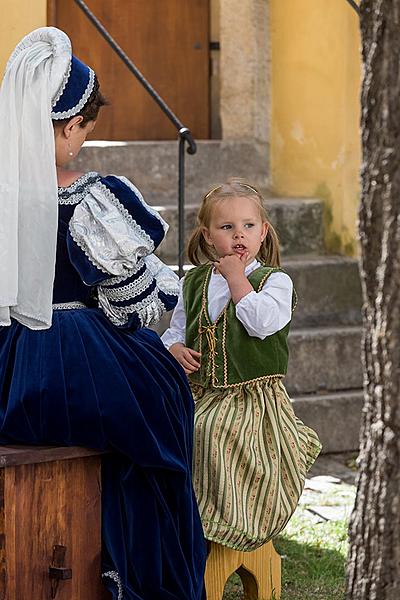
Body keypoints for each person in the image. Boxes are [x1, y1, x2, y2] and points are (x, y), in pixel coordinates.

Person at [0, 27, 206, 599]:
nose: (85, 141)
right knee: (159, 416)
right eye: (84, 130)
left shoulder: (3, 197)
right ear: (69, 128)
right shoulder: (94, 197)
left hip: (13, 370)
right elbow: (131, 302)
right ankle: (131, 568)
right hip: (83, 361)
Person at [161, 179, 322, 551]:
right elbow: (176, 330)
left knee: (211, 432)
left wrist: (236, 279)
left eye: (249, 226)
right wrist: (174, 350)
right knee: (167, 425)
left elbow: (262, 323)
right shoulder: (196, 281)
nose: (239, 235)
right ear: (208, 236)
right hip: (201, 391)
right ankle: (178, 521)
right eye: (227, 227)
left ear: (263, 232)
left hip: (251, 401)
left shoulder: (274, 281)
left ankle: (220, 528)